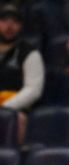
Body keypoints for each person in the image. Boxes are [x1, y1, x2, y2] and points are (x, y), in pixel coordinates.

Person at [0, 1, 44, 145]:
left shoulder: (29, 53)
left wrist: (6, 108)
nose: (9, 26)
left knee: (18, 120)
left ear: (21, 26)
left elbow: (33, 90)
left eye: (14, 22)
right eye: (4, 21)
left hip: (16, 110)